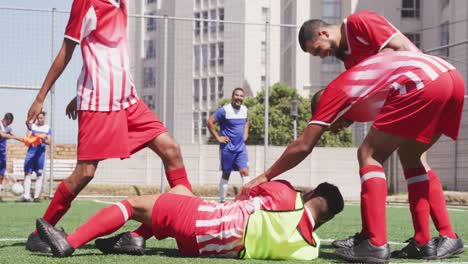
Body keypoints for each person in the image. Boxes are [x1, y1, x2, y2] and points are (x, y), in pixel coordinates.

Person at [239, 51, 465, 263]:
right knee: (411, 155)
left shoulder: (333, 93)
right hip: (451, 78)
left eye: (328, 123)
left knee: (368, 154)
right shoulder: (364, 93)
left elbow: (304, 145)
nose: (333, 129)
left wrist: (265, 176)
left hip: (424, 80)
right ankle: (423, 242)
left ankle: (375, 243)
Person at [24, 0, 192, 254]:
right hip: (99, 103)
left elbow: (106, 54)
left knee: (171, 151)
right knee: (85, 173)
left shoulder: (121, 3)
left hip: (128, 100)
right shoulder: (85, 2)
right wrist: (40, 97)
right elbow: (67, 51)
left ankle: (142, 234)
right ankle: (40, 233)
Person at [297, 10, 461, 259]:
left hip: (419, 84)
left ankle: (383, 239)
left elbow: (397, 49)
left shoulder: (357, 22)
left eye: (317, 49)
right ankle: (425, 239)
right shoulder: (349, 61)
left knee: (374, 154)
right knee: (412, 158)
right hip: (423, 86)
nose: (322, 55)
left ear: (323, 32)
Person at [35, 179, 343, 259]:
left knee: (133, 204)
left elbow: (247, 192)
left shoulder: (286, 194)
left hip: (201, 221)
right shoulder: (310, 249)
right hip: (206, 248)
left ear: (313, 192)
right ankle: (138, 239)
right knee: (181, 189)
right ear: (326, 219)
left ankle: (69, 241)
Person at [208, 87, 250, 203]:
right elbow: (210, 121)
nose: (239, 98)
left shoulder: (245, 109)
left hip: (241, 148)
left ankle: (246, 200)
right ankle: (222, 201)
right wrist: (218, 137)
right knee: (226, 174)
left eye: (241, 96)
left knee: (245, 172)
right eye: (237, 95)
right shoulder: (224, 110)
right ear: (232, 96)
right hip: (227, 148)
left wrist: (245, 134)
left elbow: (247, 122)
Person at [15, 112, 52, 203]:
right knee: (27, 173)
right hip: (31, 152)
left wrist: (42, 138)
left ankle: (36, 197)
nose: (39, 120)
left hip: (40, 154)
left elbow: (49, 141)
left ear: (44, 118)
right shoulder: (33, 126)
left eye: (41, 118)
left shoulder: (47, 128)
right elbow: (28, 137)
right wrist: (33, 134)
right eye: (38, 118)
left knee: (39, 174)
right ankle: (26, 196)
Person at [0, 113, 16, 202]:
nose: (9, 124)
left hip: (2, 153)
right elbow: (2, 135)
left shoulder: (8, 128)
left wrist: (23, 139)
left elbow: (13, 135)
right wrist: (12, 137)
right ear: (6, 119)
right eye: (8, 122)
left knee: (1, 174)